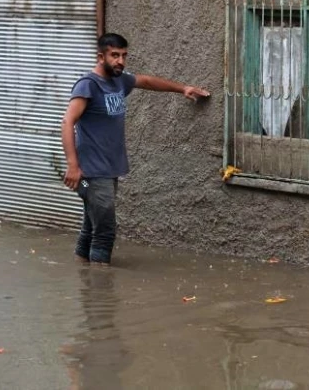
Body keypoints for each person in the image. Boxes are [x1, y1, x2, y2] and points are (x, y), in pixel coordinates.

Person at [60, 33, 210, 265]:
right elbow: (67, 122)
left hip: (108, 171)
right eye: (115, 55)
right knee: (106, 230)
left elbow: (146, 81)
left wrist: (183, 89)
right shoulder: (88, 85)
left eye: (124, 56)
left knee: (92, 225)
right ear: (101, 57)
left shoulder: (119, 80)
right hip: (90, 174)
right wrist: (73, 166)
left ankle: (84, 279)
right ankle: (100, 289)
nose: (120, 61)